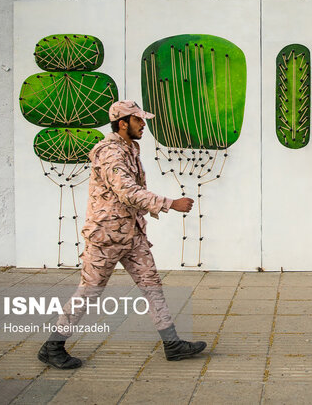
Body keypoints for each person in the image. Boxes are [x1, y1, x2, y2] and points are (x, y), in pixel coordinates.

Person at [37, 100, 206, 369]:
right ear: (123, 123)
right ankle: (52, 346)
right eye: (138, 120)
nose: (144, 124)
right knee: (89, 293)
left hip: (132, 234)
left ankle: (172, 343)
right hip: (105, 237)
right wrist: (170, 203)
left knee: (152, 285)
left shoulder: (130, 149)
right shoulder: (110, 153)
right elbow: (127, 191)